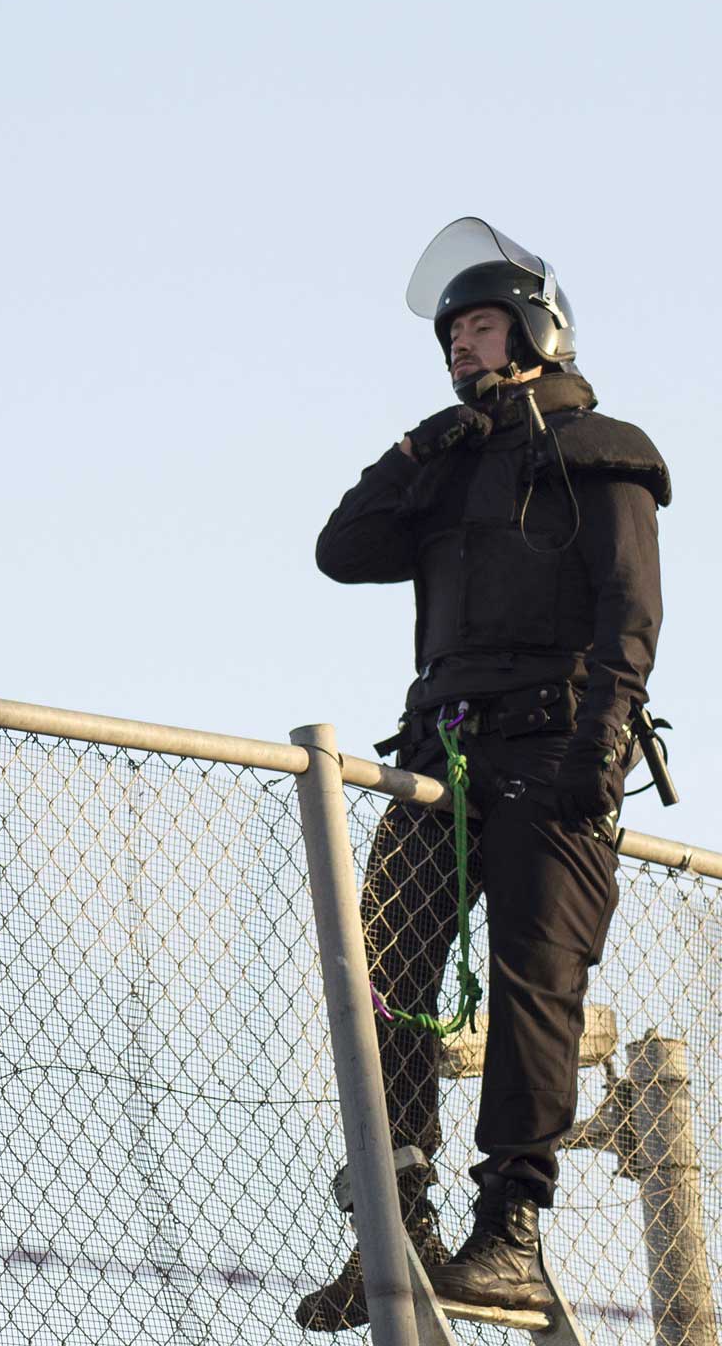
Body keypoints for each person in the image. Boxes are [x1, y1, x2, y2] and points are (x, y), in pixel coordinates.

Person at [302, 218, 667, 1326]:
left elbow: (627, 606)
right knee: (377, 969)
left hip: (552, 747)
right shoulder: (444, 467)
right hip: (439, 750)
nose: (460, 343)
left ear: (534, 329)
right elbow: (340, 548)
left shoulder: (603, 449)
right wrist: (417, 446)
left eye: (478, 321)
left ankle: (508, 1226)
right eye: (450, 330)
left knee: (530, 984)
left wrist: (602, 739)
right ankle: (395, 1209)